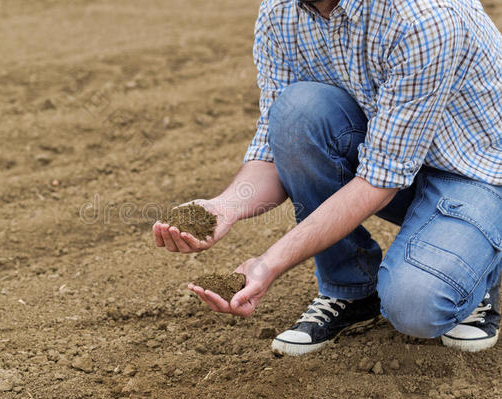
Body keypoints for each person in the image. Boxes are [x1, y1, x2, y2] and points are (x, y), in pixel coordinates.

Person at [153, 0, 501, 355]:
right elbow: (276, 150)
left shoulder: (421, 17)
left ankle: (477, 270)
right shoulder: (281, 12)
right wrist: (223, 207)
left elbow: (380, 181)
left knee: (416, 304)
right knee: (297, 112)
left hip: (476, 174)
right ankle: (350, 290)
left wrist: (267, 264)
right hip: (395, 162)